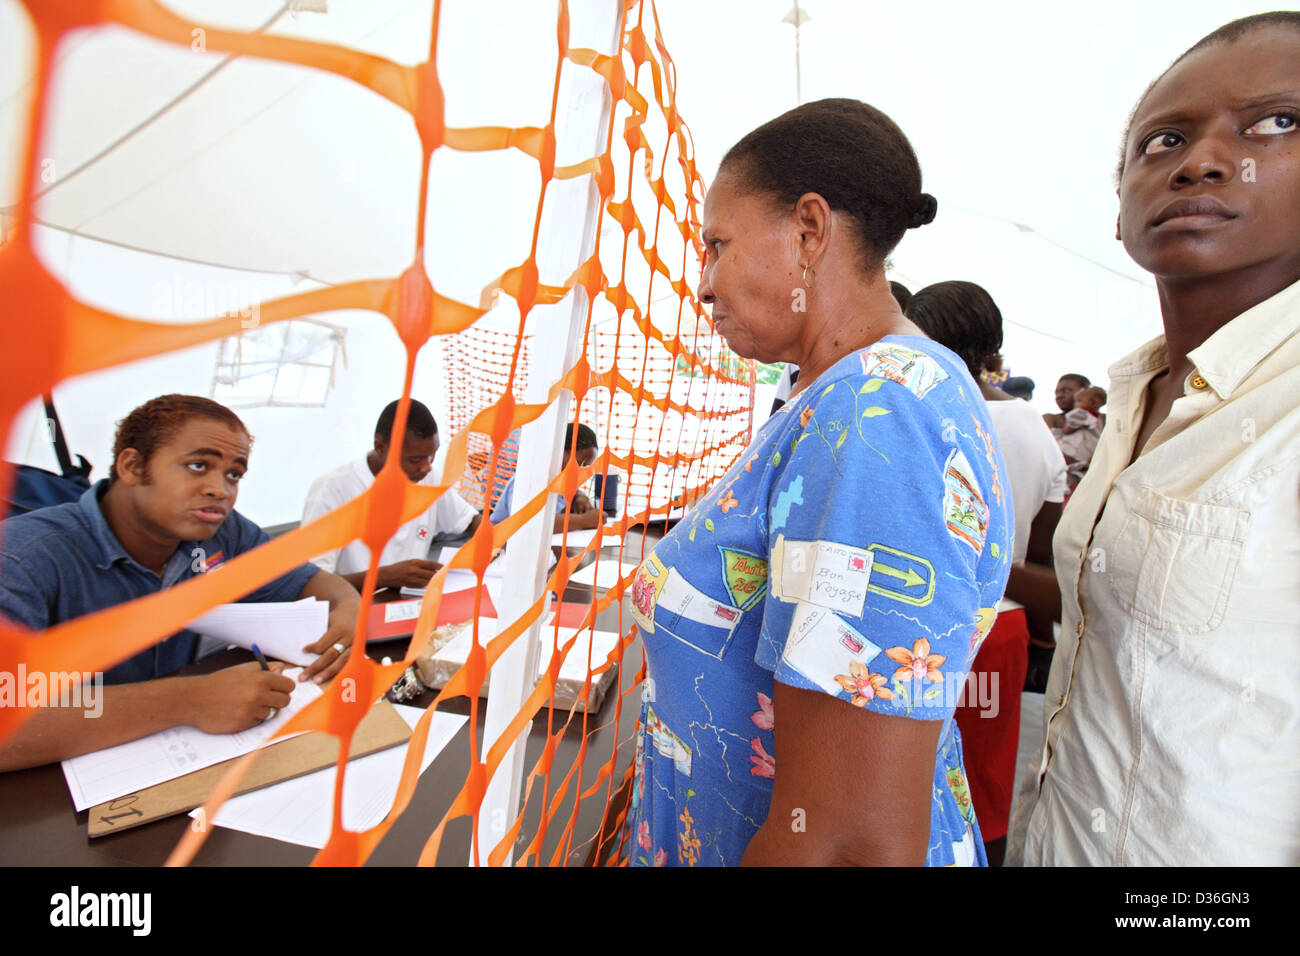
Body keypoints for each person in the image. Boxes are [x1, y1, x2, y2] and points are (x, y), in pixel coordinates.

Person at [626, 98, 1012, 867]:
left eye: (718, 246)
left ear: (808, 231)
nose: (703, 285)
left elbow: (847, 841)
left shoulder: (879, 415)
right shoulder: (842, 397)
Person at [1021, 12, 1300, 866]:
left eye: (1277, 123)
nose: (1204, 161)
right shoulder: (1140, 391)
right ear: (1117, 214)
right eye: (1164, 140)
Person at [0, 395, 359, 772]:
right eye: (198, 466)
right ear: (132, 466)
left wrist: (348, 610)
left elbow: (317, 584)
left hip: (170, 765)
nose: (220, 489)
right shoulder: (23, 558)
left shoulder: (222, 533)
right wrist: (187, 701)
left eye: (233, 474)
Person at [905, 280, 1066, 866]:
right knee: (986, 778)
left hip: (929, 629)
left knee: (910, 772)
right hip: (1004, 632)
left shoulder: (923, 411)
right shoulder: (1033, 426)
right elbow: (1045, 546)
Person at [302, 400, 481, 592]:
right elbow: (312, 585)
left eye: (432, 455)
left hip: (409, 603)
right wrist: (383, 577)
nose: (426, 467)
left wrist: (496, 548)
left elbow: (471, 521)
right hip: (353, 609)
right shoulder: (332, 490)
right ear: (380, 447)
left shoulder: (429, 477)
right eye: (414, 459)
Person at [490, 423, 602, 534]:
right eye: (578, 464)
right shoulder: (530, 479)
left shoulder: (561, 479)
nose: (581, 472)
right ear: (559, 451)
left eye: (586, 467)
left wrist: (578, 496)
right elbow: (531, 523)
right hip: (501, 549)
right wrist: (584, 520)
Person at [1057, 384, 1106, 490]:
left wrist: (1064, 430)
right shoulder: (1100, 418)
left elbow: (1069, 429)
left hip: (1080, 446)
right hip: (1093, 445)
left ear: (1093, 403)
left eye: (1078, 401)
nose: (1075, 404)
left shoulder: (1080, 413)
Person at [1041, 373, 1089, 438]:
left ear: (1085, 392)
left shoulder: (1102, 420)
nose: (1059, 396)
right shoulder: (1050, 419)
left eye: (1066, 391)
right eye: (1057, 392)